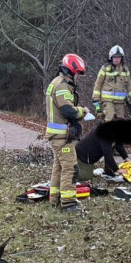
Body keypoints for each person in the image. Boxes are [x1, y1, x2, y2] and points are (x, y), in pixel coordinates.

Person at [44, 53, 89, 212]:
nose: (78, 77)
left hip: (57, 136)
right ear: (70, 70)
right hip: (61, 136)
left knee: (59, 168)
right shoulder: (62, 85)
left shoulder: (56, 82)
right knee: (71, 168)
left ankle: (54, 200)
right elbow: (67, 110)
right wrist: (82, 111)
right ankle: (68, 204)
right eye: (77, 74)